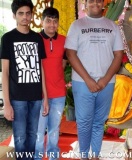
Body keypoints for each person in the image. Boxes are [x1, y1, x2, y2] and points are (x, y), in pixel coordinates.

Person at [64, 0, 124, 159]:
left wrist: (104, 80)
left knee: (99, 122)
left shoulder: (113, 26)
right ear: (85, 4)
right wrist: (88, 80)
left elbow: (118, 55)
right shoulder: (77, 25)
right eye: (91, 0)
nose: (95, 3)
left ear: (103, 4)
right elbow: (70, 53)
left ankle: (95, 155)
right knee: (84, 124)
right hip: (82, 83)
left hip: (107, 83)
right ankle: (84, 155)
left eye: (98, 0)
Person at [0, 0, 49, 159]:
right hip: (17, 98)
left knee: (33, 135)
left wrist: (45, 98)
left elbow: (41, 69)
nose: (25, 17)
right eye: (21, 13)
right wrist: (7, 103)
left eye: (28, 13)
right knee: (20, 137)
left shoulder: (37, 38)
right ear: (14, 15)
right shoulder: (8, 38)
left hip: (36, 97)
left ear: (32, 15)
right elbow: (5, 72)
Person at [34, 7, 67, 160]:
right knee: (39, 131)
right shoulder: (35, 39)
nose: (52, 25)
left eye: (55, 21)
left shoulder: (64, 40)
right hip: (38, 94)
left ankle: (54, 157)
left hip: (59, 93)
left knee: (54, 130)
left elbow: (64, 63)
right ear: (42, 21)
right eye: (48, 21)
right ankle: (37, 157)